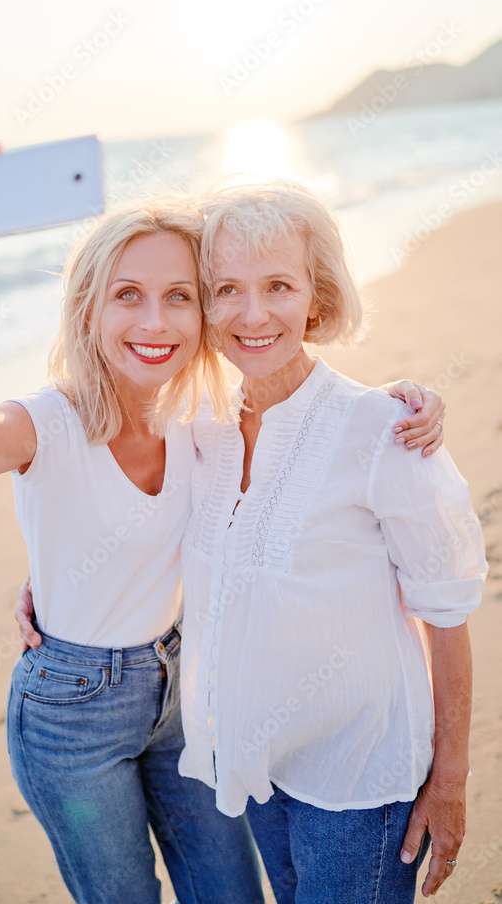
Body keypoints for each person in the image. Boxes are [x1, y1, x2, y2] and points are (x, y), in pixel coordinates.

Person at [0, 145, 265, 904]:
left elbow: (317, 428)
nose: (153, 321)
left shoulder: (208, 421)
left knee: (231, 894)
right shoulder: (45, 424)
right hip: (70, 717)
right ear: (88, 306)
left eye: (178, 296)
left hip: (184, 690)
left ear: (204, 309)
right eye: (127, 294)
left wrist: (410, 401)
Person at [171, 183, 486, 903]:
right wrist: (52, 592)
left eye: (278, 286)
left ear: (315, 298)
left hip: (358, 785)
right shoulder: (199, 434)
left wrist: (450, 780)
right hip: (256, 769)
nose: (253, 314)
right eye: (226, 290)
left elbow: (445, 614)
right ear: (204, 306)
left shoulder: (383, 432)